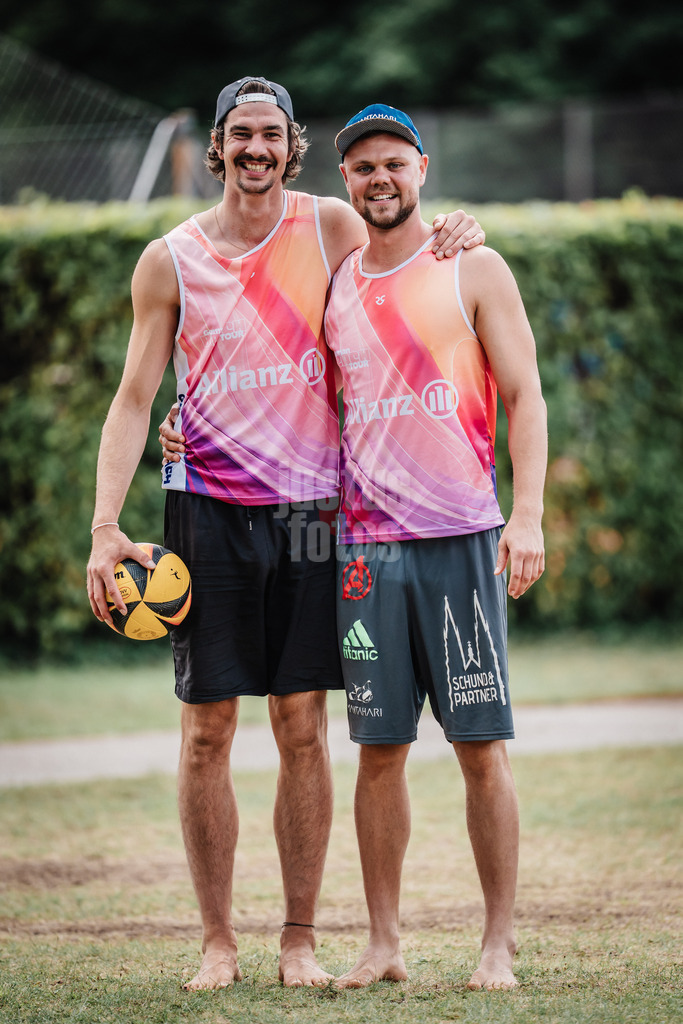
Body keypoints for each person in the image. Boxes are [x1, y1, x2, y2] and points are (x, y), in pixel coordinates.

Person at [86, 77, 485, 991]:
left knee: (302, 725)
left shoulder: (331, 227)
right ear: (218, 147)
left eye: (271, 133)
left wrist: (462, 229)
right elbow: (133, 399)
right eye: (240, 134)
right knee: (204, 733)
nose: (256, 147)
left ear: (290, 144)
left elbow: (412, 261)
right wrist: (106, 528)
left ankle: (297, 939)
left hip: (312, 516)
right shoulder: (169, 259)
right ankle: (217, 942)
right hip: (206, 515)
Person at [323, 104, 547, 990]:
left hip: (461, 539)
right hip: (363, 553)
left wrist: (524, 516)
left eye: (393, 163)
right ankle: (383, 945)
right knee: (378, 752)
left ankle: (497, 941)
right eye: (362, 168)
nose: (379, 179)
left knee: (478, 745)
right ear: (346, 181)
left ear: (422, 166)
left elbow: (525, 396)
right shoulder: (336, 283)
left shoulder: (472, 264)